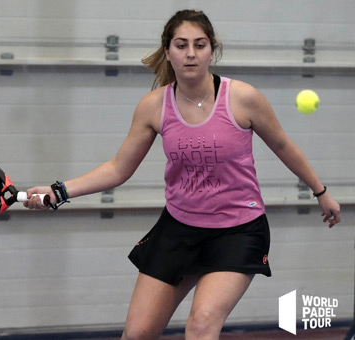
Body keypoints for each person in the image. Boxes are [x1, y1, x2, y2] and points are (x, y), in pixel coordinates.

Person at [24, 9, 341, 340]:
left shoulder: (242, 98)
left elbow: (282, 145)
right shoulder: (153, 106)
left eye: (200, 45)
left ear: (212, 51)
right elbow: (119, 168)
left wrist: (321, 192)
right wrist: (59, 191)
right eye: (181, 45)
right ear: (168, 51)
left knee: (202, 324)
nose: (191, 53)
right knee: (137, 334)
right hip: (178, 229)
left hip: (238, 230)